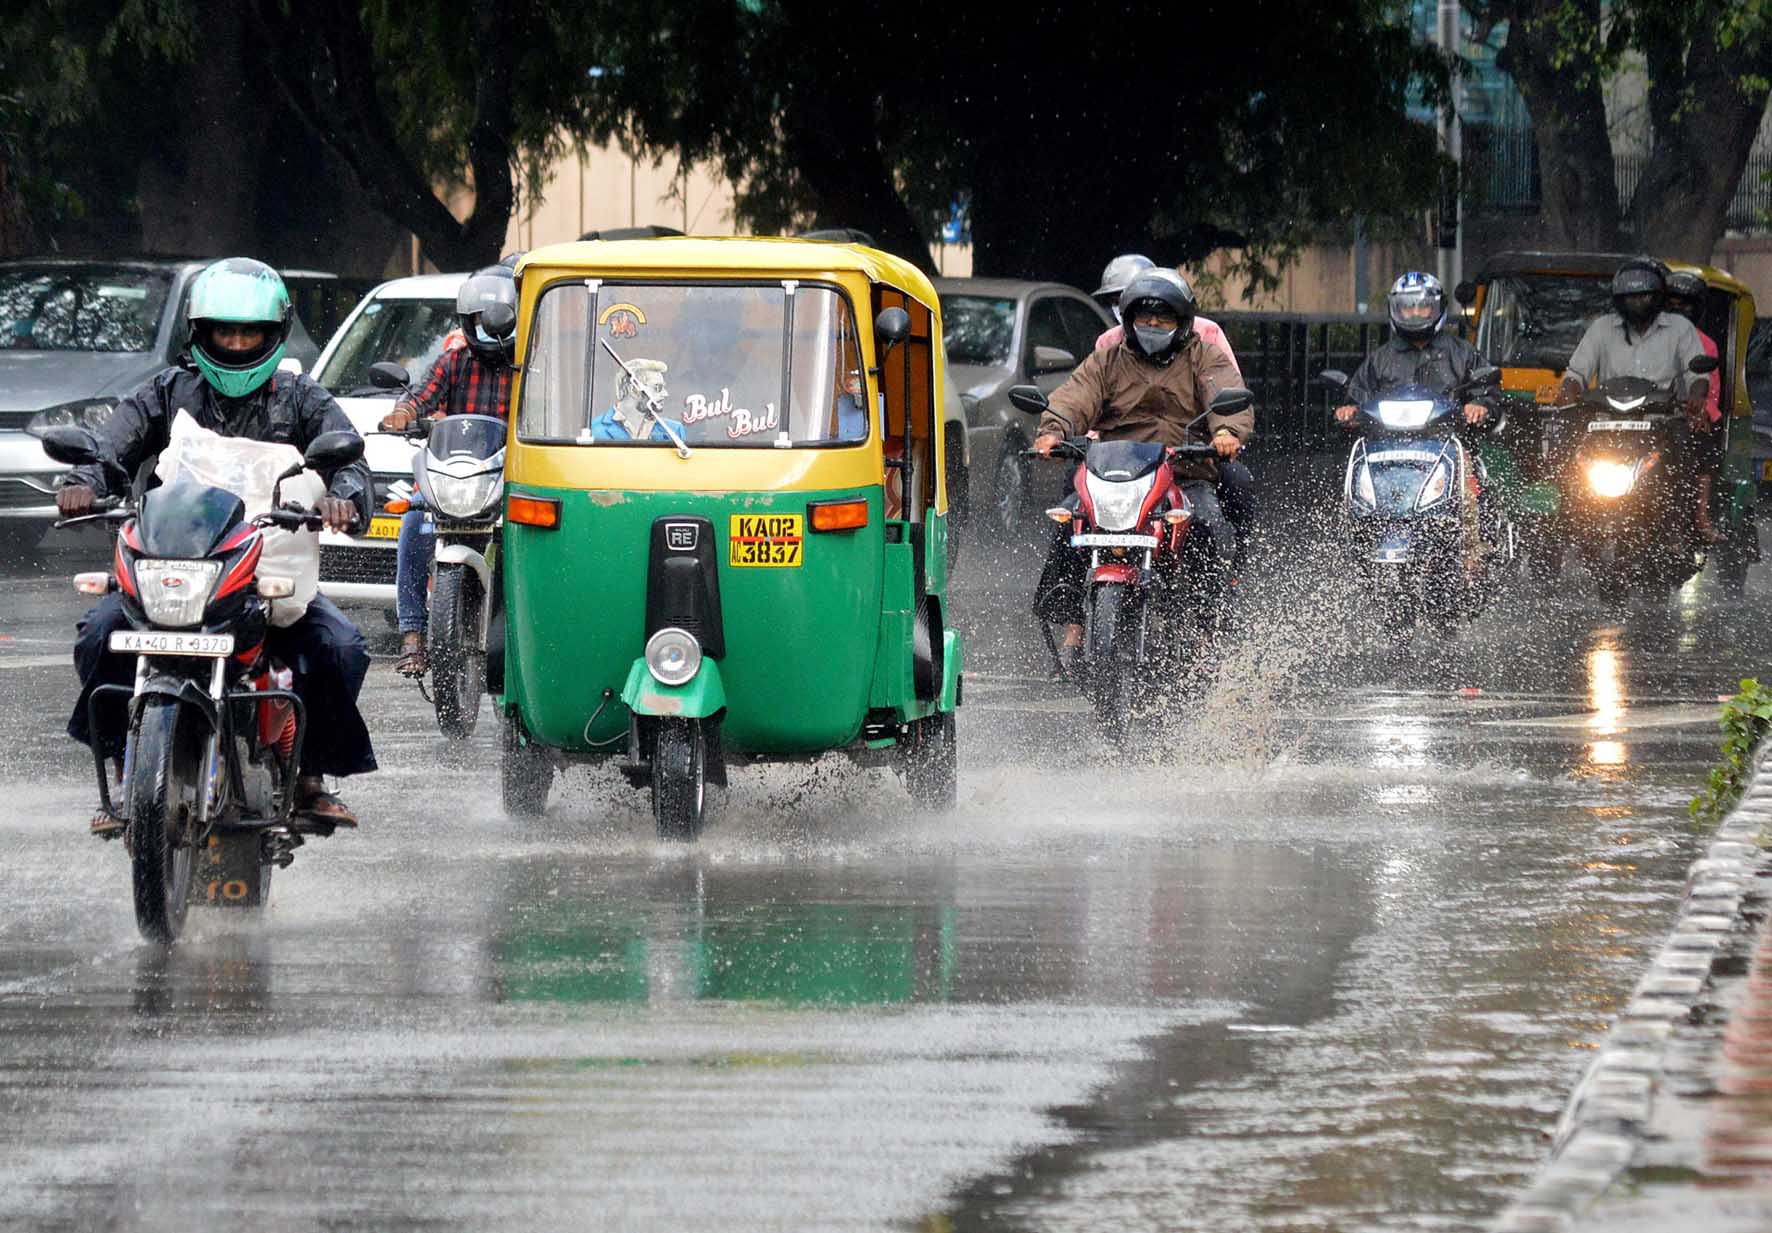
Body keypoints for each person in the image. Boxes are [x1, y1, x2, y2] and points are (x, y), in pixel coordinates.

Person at [55, 258, 375, 833]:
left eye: (248, 332)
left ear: (273, 334)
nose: (235, 343)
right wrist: (84, 484)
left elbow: (351, 462)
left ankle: (309, 776)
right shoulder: (168, 391)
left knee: (341, 647)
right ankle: (125, 770)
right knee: (100, 634)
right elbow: (111, 448)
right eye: (224, 331)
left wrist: (344, 499)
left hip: (261, 569)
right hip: (172, 565)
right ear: (200, 333)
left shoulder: (300, 398)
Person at [1031, 268, 1252, 667]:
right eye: (1143, 317)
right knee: (1069, 519)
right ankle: (1072, 619)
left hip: (1183, 470)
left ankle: (1205, 626)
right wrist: (1053, 430)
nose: (1152, 325)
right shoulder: (1107, 359)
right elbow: (1074, 398)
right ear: (1129, 320)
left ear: (1181, 322)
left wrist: (1226, 433)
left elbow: (1227, 393)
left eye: (1162, 317)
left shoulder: (1205, 355)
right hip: (1114, 471)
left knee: (1204, 522)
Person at [379, 266, 518, 678]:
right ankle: (412, 636)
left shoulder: (531, 364)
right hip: (457, 476)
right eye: (480, 322)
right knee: (414, 522)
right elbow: (420, 398)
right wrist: (403, 413)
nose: (491, 330)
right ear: (467, 321)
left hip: (509, 479)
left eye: (501, 322)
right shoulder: (454, 362)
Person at [1559, 257, 1714, 541]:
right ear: (1618, 300)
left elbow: (1697, 374)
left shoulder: (1680, 328)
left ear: (1658, 297)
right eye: (1629, 297)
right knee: (1566, 454)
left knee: (1691, 452)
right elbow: (1577, 371)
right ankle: (1567, 523)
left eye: (1643, 296)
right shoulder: (1602, 328)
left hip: (1662, 421)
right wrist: (1568, 390)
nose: (1637, 303)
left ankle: (1686, 523)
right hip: (1607, 422)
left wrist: (1696, 396)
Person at [1335, 272, 1490, 427]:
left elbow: (1488, 394)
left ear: (1437, 307)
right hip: (1388, 443)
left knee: (1467, 452)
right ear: (1396, 308)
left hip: (1450, 442)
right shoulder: (1380, 358)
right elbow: (1357, 397)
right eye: (1408, 307)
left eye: (1423, 306)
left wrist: (1479, 405)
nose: (1415, 313)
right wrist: (1350, 410)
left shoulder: (1463, 353)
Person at [1091, 253, 1242, 377]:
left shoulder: (1207, 333)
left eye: (1163, 314)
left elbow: (1229, 391)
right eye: (1116, 302)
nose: (1153, 323)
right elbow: (1086, 395)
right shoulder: (1108, 342)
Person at [1663, 269, 1725, 542]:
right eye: (1672, 303)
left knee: (1703, 452)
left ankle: (1700, 517)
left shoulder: (1705, 344)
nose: (1678, 310)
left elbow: (1710, 391)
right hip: (1644, 413)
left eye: (1685, 305)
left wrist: (1700, 413)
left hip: (1684, 417)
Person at [589, 359, 685, 441]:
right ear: (634, 390)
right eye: (658, 388)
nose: (665, 394)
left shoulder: (673, 430)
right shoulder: (595, 430)